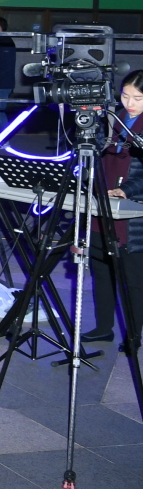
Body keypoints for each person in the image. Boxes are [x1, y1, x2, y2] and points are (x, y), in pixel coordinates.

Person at [93, 71, 143, 344]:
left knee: (133, 277)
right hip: (104, 200)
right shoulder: (115, 119)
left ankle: (133, 335)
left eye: (138, 97)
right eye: (125, 96)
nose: (130, 103)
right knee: (101, 269)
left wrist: (127, 190)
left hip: (133, 211)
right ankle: (103, 327)